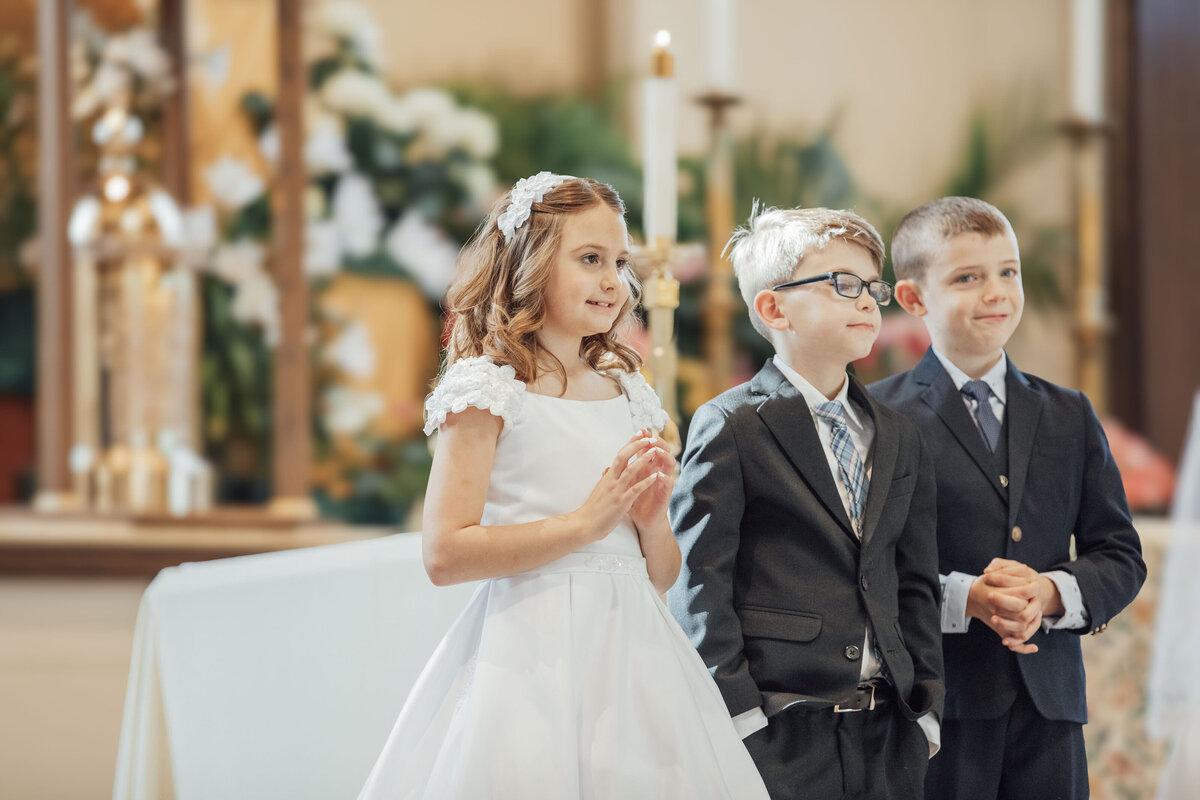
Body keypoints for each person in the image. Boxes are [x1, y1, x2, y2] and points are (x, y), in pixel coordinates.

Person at [358, 173, 769, 799]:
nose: (613, 281)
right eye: (590, 259)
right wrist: (586, 523)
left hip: (634, 655)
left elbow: (658, 576)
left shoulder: (629, 393)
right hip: (530, 651)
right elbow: (444, 554)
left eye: (620, 262)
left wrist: (653, 519)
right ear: (531, 265)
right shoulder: (488, 390)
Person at [868, 196, 1147, 800]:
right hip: (936, 706)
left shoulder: (1068, 413)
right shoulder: (879, 418)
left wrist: (1050, 593)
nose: (996, 291)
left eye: (1008, 272)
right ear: (914, 300)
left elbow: (1120, 553)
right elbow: (867, 564)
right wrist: (966, 597)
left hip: (1049, 713)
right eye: (968, 277)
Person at [670, 204, 944, 800]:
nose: (868, 300)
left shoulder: (899, 436)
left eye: (873, 288)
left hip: (889, 729)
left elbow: (915, 579)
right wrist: (740, 716)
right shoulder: (732, 425)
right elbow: (699, 583)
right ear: (773, 307)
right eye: (844, 285)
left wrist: (926, 706)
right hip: (782, 724)